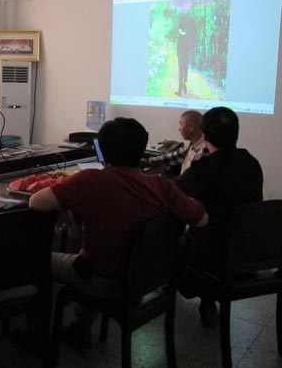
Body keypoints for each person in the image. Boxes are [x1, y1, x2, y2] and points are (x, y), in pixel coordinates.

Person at [29, 117, 207, 342]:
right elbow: (202, 219)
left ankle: (37, 335)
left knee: (36, 258)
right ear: (142, 149)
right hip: (148, 277)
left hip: (103, 280)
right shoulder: (163, 186)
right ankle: (81, 327)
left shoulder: (91, 180)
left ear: (104, 150)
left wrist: (64, 205)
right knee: (95, 251)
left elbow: (36, 202)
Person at [175, 106, 263, 326]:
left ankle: (162, 300)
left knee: (168, 244)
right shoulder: (251, 163)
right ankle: (207, 303)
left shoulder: (204, 168)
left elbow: (171, 193)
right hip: (248, 257)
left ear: (204, 135)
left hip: (212, 260)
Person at [146, 110, 206, 174]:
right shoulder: (191, 145)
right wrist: (148, 161)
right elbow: (174, 156)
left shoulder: (203, 151)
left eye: (181, 124)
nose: (179, 128)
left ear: (191, 127)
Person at [177, 18, 191, 96]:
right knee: (185, 73)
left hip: (181, 58)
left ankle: (180, 92)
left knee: (181, 74)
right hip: (186, 57)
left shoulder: (179, 39)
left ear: (180, 30)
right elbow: (189, 49)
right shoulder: (188, 38)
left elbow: (178, 49)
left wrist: (178, 56)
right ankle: (184, 86)